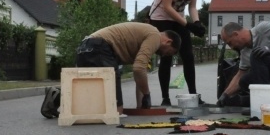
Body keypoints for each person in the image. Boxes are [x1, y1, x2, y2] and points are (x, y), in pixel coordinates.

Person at [41, 22, 180, 118]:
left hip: (86, 47)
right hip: (100, 47)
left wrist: (141, 106)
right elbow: (138, 68)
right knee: (116, 111)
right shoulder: (155, 36)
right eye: (168, 52)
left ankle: (56, 96)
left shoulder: (145, 37)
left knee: (90, 89)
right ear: (168, 42)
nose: (165, 55)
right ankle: (57, 96)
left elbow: (140, 75)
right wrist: (147, 95)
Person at [148, 0, 207, 107]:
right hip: (160, 17)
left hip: (178, 17)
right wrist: (187, 24)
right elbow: (167, 6)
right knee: (166, 55)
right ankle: (165, 97)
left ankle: (194, 95)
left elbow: (192, 6)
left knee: (188, 55)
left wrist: (196, 23)